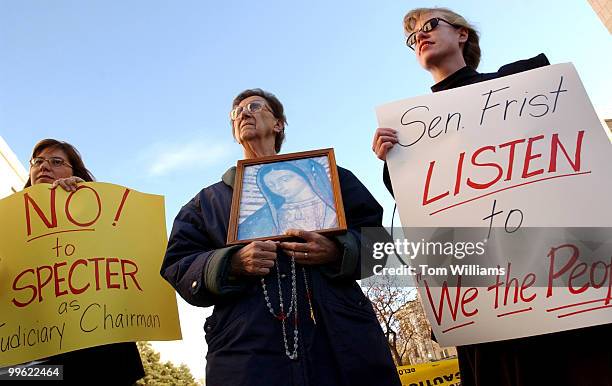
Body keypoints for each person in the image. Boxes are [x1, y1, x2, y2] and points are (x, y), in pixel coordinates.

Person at [372, 7, 612, 386]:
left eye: (431, 25)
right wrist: (394, 161)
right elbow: (430, 216)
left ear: (462, 35)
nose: (420, 35)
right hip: (489, 305)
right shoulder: (408, 136)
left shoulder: (523, 88)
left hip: (565, 288)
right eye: (412, 35)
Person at [161, 88, 401, 386]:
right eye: (236, 113)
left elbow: (379, 244)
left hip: (342, 342)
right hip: (246, 355)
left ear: (278, 124)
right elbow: (178, 263)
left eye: (254, 106)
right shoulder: (207, 203)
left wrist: (338, 250)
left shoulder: (332, 181)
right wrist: (231, 263)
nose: (243, 114)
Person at [22, 139, 145, 385]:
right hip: (29, 363)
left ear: (74, 173)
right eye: (38, 161)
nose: (44, 166)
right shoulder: (10, 224)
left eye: (56, 162)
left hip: (95, 358)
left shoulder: (98, 212)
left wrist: (84, 202)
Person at [238, 160, 338, 240]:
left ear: (305, 174)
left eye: (285, 179)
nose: (278, 187)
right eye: (271, 185)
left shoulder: (335, 204)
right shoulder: (265, 216)